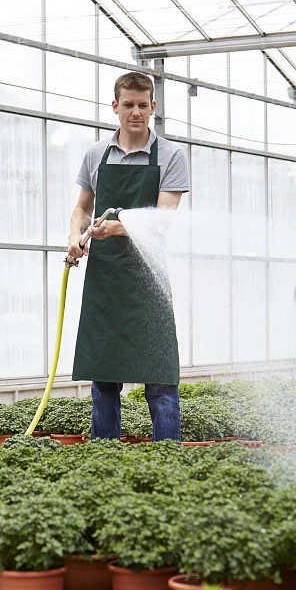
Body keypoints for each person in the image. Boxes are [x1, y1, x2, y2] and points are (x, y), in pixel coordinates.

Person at [68, 71, 189, 442]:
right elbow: (82, 207)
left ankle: (168, 458)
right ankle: (105, 459)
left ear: (153, 107)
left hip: (147, 276)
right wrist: (75, 235)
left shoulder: (170, 155)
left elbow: (162, 220)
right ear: (115, 106)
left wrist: (115, 228)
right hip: (104, 277)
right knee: (103, 380)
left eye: (142, 105)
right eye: (128, 105)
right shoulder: (96, 154)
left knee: (160, 379)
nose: (135, 112)